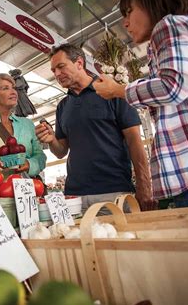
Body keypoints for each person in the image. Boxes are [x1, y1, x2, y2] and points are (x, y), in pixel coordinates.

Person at [93, 0, 188, 220]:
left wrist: (117, 90)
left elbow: (172, 87)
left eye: (129, 12)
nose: (125, 23)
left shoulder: (171, 24)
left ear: (154, 1)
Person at [35, 44, 154, 214]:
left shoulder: (112, 91)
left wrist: (144, 185)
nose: (57, 74)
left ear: (79, 63)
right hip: (74, 197)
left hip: (113, 193)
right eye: (54, 70)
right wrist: (51, 139)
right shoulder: (63, 106)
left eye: (61, 67)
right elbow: (61, 151)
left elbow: (135, 141)